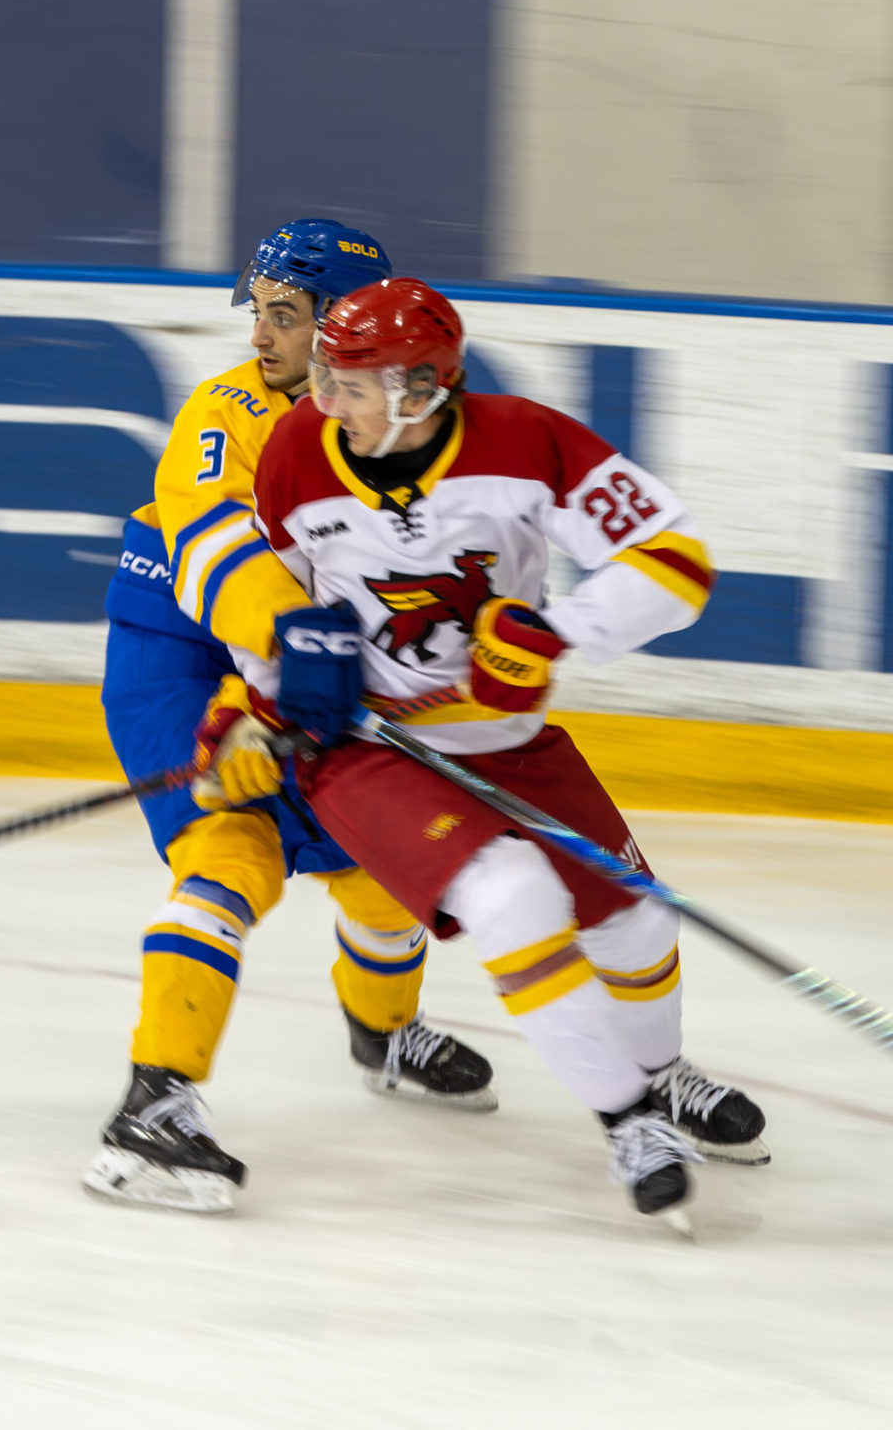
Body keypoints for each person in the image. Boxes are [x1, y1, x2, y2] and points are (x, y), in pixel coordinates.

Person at [195, 277, 767, 1225]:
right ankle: (629, 1121)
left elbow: (675, 564)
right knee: (513, 897)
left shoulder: (528, 441)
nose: (325, 398)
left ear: (420, 392)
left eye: (352, 381)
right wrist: (248, 712)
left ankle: (662, 1076)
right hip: (369, 750)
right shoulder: (298, 451)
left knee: (637, 929)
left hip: (510, 740)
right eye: (326, 374)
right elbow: (275, 610)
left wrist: (552, 633)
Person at [83, 221, 495, 1217]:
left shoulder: (394, 413)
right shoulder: (226, 409)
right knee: (234, 852)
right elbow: (212, 548)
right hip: (182, 658)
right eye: (257, 312)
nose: (259, 336)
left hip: (319, 667)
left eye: (284, 315)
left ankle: (382, 1031)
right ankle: (152, 1107)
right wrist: (296, 642)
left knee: (384, 864)